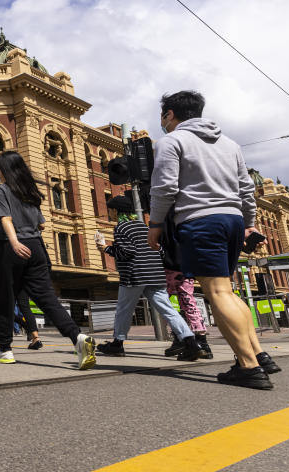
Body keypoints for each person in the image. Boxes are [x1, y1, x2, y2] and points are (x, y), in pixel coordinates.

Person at [148, 90, 279, 390]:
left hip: (200, 221)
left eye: (162, 117)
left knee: (216, 292)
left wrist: (155, 224)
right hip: (232, 221)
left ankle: (249, 367)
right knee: (228, 291)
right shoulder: (230, 144)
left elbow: (165, 188)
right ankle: (259, 354)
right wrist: (249, 224)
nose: (162, 122)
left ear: (169, 115)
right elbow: (246, 189)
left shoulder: (171, 141)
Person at [0, 151, 96, 369]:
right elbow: (42, 225)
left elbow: (5, 219)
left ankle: (5, 349)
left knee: (6, 301)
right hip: (36, 247)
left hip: (11, 248)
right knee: (47, 299)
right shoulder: (30, 192)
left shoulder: (1, 191)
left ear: (5, 170)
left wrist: (15, 242)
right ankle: (78, 338)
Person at [95, 196, 204, 360]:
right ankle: (191, 343)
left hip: (135, 275)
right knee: (168, 309)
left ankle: (117, 344)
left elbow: (127, 252)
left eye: (110, 210)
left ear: (116, 211)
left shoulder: (122, 228)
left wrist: (105, 248)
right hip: (155, 275)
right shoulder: (143, 227)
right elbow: (159, 251)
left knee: (124, 310)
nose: (109, 213)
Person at [161, 213, 212, 358]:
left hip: (169, 268)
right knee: (189, 303)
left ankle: (179, 338)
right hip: (187, 268)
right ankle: (203, 343)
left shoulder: (162, 220)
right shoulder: (189, 219)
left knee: (165, 304)